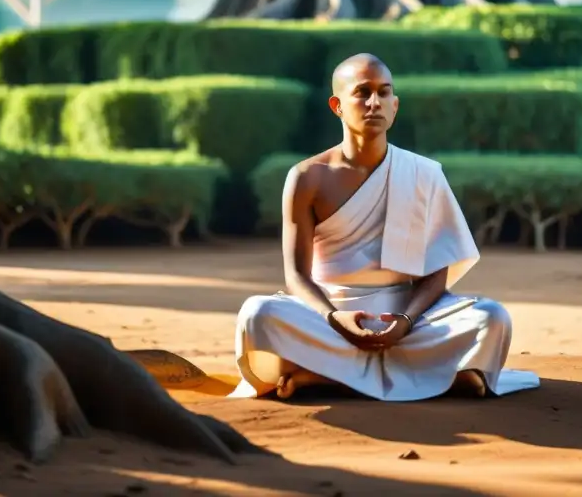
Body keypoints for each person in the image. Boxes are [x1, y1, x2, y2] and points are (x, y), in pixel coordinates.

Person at [229, 53, 540, 401]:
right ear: (338, 105)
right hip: (329, 312)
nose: (374, 102)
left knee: (491, 317)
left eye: (384, 93)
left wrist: (406, 320)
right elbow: (297, 275)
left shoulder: (423, 174)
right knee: (258, 314)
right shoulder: (307, 178)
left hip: (406, 315)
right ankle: (440, 378)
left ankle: (324, 378)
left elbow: (438, 271)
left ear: (395, 106)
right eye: (362, 92)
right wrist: (335, 319)